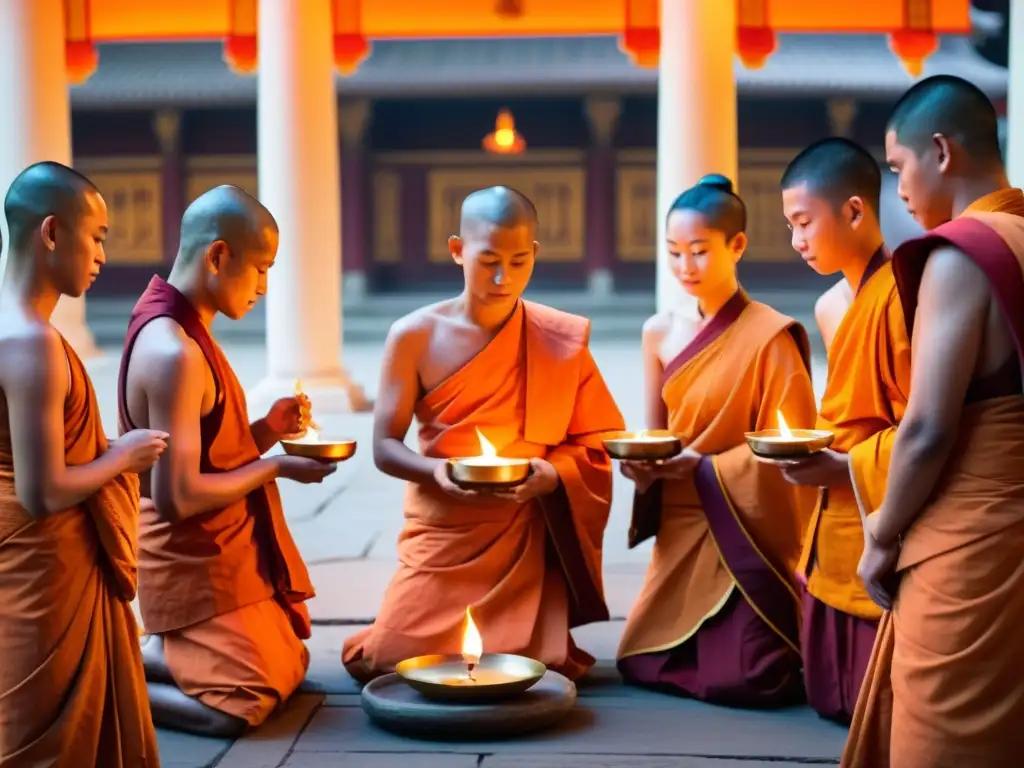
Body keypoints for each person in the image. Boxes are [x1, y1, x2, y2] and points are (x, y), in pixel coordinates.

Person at [342, 186, 625, 682]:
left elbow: (596, 441)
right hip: (446, 522)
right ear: (457, 250)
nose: (503, 278)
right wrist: (440, 472)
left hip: (521, 524)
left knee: (539, 667)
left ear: (535, 253)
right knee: (388, 660)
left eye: (519, 262)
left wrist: (550, 474)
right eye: (488, 260)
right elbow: (384, 447)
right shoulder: (415, 335)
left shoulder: (558, 337)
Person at [843, 75, 1024, 767]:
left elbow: (926, 428)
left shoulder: (961, 253)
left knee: (944, 727)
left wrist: (882, 537)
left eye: (898, 168)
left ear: (940, 151)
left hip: (971, 537)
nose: (901, 191)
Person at [119, 185, 337, 737]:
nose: (264, 286)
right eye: (260, 268)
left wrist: (266, 430)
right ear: (218, 256)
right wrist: (279, 466)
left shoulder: (184, 331)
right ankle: (113, 676)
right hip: (189, 554)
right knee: (239, 706)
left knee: (288, 663)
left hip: (217, 549)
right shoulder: (173, 352)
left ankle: (164, 653)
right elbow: (178, 497)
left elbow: (208, 453)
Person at [614, 174, 818, 707]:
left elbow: (792, 449)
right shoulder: (657, 331)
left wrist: (703, 467)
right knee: (641, 661)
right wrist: (643, 467)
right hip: (684, 518)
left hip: (745, 524)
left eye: (700, 252)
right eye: (674, 253)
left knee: (755, 678)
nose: (685, 268)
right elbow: (655, 433)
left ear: (738, 245)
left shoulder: (772, 336)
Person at [0, 161, 167, 765]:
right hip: (42, 565)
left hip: (44, 561)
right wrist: (122, 455)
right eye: (95, 235)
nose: (101, 253)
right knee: (40, 732)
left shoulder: (20, 330)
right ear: (51, 233)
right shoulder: (30, 342)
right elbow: (41, 492)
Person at [777, 137, 911, 724]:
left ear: (855, 211)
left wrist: (845, 465)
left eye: (804, 222)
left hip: (885, 501)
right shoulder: (832, 305)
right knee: (832, 698)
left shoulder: (910, 290)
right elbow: (850, 407)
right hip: (838, 503)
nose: (796, 240)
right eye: (790, 226)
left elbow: (920, 420)